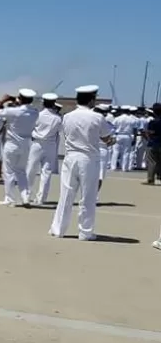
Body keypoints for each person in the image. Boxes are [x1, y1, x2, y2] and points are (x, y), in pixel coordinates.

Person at [50, 86, 115, 240]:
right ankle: (85, 231)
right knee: (88, 196)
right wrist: (112, 140)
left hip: (71, 156)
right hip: (89, 158)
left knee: (66, 194)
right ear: (92, 100)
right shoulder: (97, 117)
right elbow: (106, 138)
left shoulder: (67, 116)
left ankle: (58, 229)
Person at [0, 89, 39, 207]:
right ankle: (25, 197)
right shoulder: (35, 112)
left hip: (12, 144)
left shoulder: (13, 111)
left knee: (8, 172)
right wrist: (16, 99)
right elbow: (25, 106)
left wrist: (2, 101)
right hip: (26, 144)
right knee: (21, 172)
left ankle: (9, 198)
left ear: (20, 98)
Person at [25, 93, 63, 205]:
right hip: (51, 145)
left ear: (43, 103)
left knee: (31, 169)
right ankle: (41, 198)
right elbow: (59, 131)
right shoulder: (58, 118)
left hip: (37, 143)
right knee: (46, 172)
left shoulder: (37, 115)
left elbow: (30, 128)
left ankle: (26, 195)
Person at [144, 104, 161, 185]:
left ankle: (151, 179)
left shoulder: (153, 122)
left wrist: (147, 134)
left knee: (152, 161)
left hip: (153, 143)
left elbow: (151, 132)